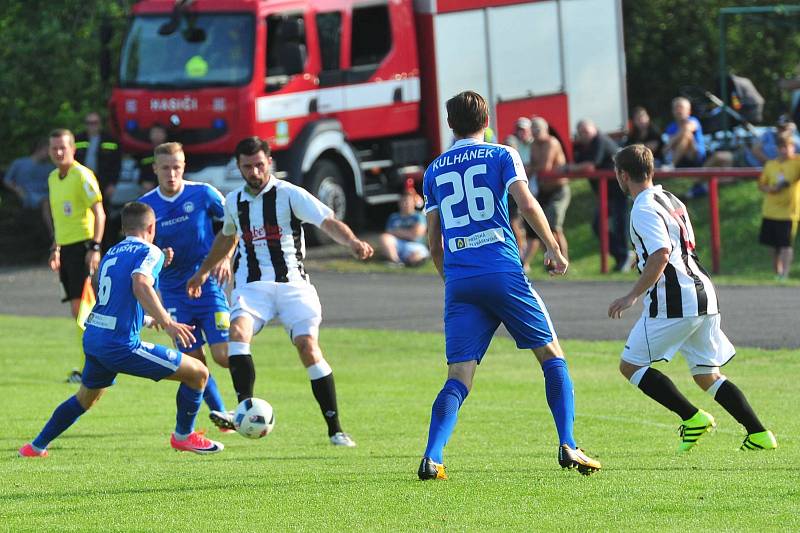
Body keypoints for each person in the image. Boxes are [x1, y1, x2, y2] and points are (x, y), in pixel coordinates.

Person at [418, 90, 601, 481]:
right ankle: (568, 443)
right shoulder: (502, 154)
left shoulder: (433, 170)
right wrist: (552, 247)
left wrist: (450, 280)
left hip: (461, 281)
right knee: (552, 356)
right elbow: (527, 203)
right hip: (502, 271)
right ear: (488, 121)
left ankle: (433, 456)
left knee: (458, 376)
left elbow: (433, 240)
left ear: (451, 125)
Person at [186, 136, 374, 446]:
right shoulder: (233, 201)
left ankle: (336, 429)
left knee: (307, 347)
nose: (255, 172)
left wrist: (352, 242)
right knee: (238, 334)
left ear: (269, 162)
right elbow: (227, 237)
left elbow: (327, 221)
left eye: (260, 165)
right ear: (239, 167)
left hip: (293, 286)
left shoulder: (289, 194)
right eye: (248, 167)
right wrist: (202, 272)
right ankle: (243, 407)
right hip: (252, 287)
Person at [19, 202, 224, 457]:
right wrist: (168, 322)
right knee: (198, 373)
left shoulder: (112, 252)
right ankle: (183, 436)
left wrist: (149, 320)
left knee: (85, 398)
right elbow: (140, 285)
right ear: (152, 227)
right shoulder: (151, 251)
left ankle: (35, 447)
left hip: (94, 337)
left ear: (124, 227)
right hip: (120, 345)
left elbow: (115, 299)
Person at [608, 144, 777, 453]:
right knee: (706, 373)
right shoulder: (670, 198)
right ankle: (759, 434)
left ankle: (693, 417)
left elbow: (662, 252)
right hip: (703, 294)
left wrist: (632, 295)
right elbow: (674, 245)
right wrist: (641, 258)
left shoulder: (643, 207)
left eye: (617, 174)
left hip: (675, 300)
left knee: (630, 366)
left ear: (623, 175)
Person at [139, 142, 233, 427]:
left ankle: (243, 401)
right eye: (165, 168)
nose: (171, 174)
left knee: (225, 356)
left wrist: (226, 257)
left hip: (208, 285)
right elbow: (141, 252)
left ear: (184, 166)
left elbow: (234, 221)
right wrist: (159, 261)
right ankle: (221, 414)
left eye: (176, 167)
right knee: (193, 360)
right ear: (155, 169)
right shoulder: (146, 206)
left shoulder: (202, 193)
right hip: (173, 294)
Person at [47, 128, 107, 383]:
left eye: (63, 147)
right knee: (78, 312)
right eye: (54, 148)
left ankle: (93, 369)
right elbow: (60, 218)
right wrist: (56, 248)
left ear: (73, 148)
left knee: (85, 310)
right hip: (67, 249)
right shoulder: (52, 177)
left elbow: (100, 213)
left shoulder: (82, 175)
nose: (59, 152)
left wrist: (94, 247)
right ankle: (92, 366)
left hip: (84, 248)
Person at [571, 119, 633, 272]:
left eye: (586, 130)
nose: (583, 134)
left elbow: (590, 166)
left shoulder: (600, 140)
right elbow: (581, 164)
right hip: (605, 193)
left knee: (620, 224)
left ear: (595, 129)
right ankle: (622, 255)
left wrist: (568, 168)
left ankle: (624, 256)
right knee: (598, 225)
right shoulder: (582, 145)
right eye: (581, 132)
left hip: (619, 189)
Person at [522, 117, 570, 270]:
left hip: (558, 190)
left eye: (537, 129)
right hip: (543, 191)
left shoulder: (552, 143)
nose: (535, 132)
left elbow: (545, 166)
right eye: (533, 129)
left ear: (545, 129)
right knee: (541, 226)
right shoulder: (534, 145)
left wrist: (530, 168)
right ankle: (551, 263)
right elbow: (533, 167)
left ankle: (564, 259)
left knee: (555, 226)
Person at [756, 134, 800, 280]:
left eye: (788, 147)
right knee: (772, 246)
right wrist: (770, 189)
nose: (785, 150)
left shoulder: (797, 162)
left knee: (786, 245)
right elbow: (762, 184)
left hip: (788, 212)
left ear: (793, 148)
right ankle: (777, 272)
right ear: (777, 149)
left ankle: (785, 274)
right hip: (770, 211)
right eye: (782, 147)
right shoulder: (771, 165)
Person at [3, 138, 54, 237]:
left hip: (47, 193)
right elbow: (7, 180)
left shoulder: (50, 167)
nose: (49, 154)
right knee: (46, 201)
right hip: (28, 194)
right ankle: (53, 233)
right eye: (47, 150)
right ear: (39, 149)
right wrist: (17, 189)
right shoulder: (19, 163)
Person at [380, 185, 429, 267]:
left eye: (408, 201)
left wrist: (397, 232)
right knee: (384, 238)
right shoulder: (393, 217)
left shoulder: (419, 216)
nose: (405, 204)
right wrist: (408, 232)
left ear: (413, 202)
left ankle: (412, 262)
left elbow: (415, 235)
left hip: (416, 245)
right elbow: (388, 233)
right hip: (398, 245)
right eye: (403, 201)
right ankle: (396, 262)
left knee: (416, 256)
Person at [137, 124, 169, 193]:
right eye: (154, 132)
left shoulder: (171, 153)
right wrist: (143, 182)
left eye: (159, 132)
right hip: (149, 187)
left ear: (165, 135)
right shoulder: (145, 153)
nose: (157, 135)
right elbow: (142, 170)